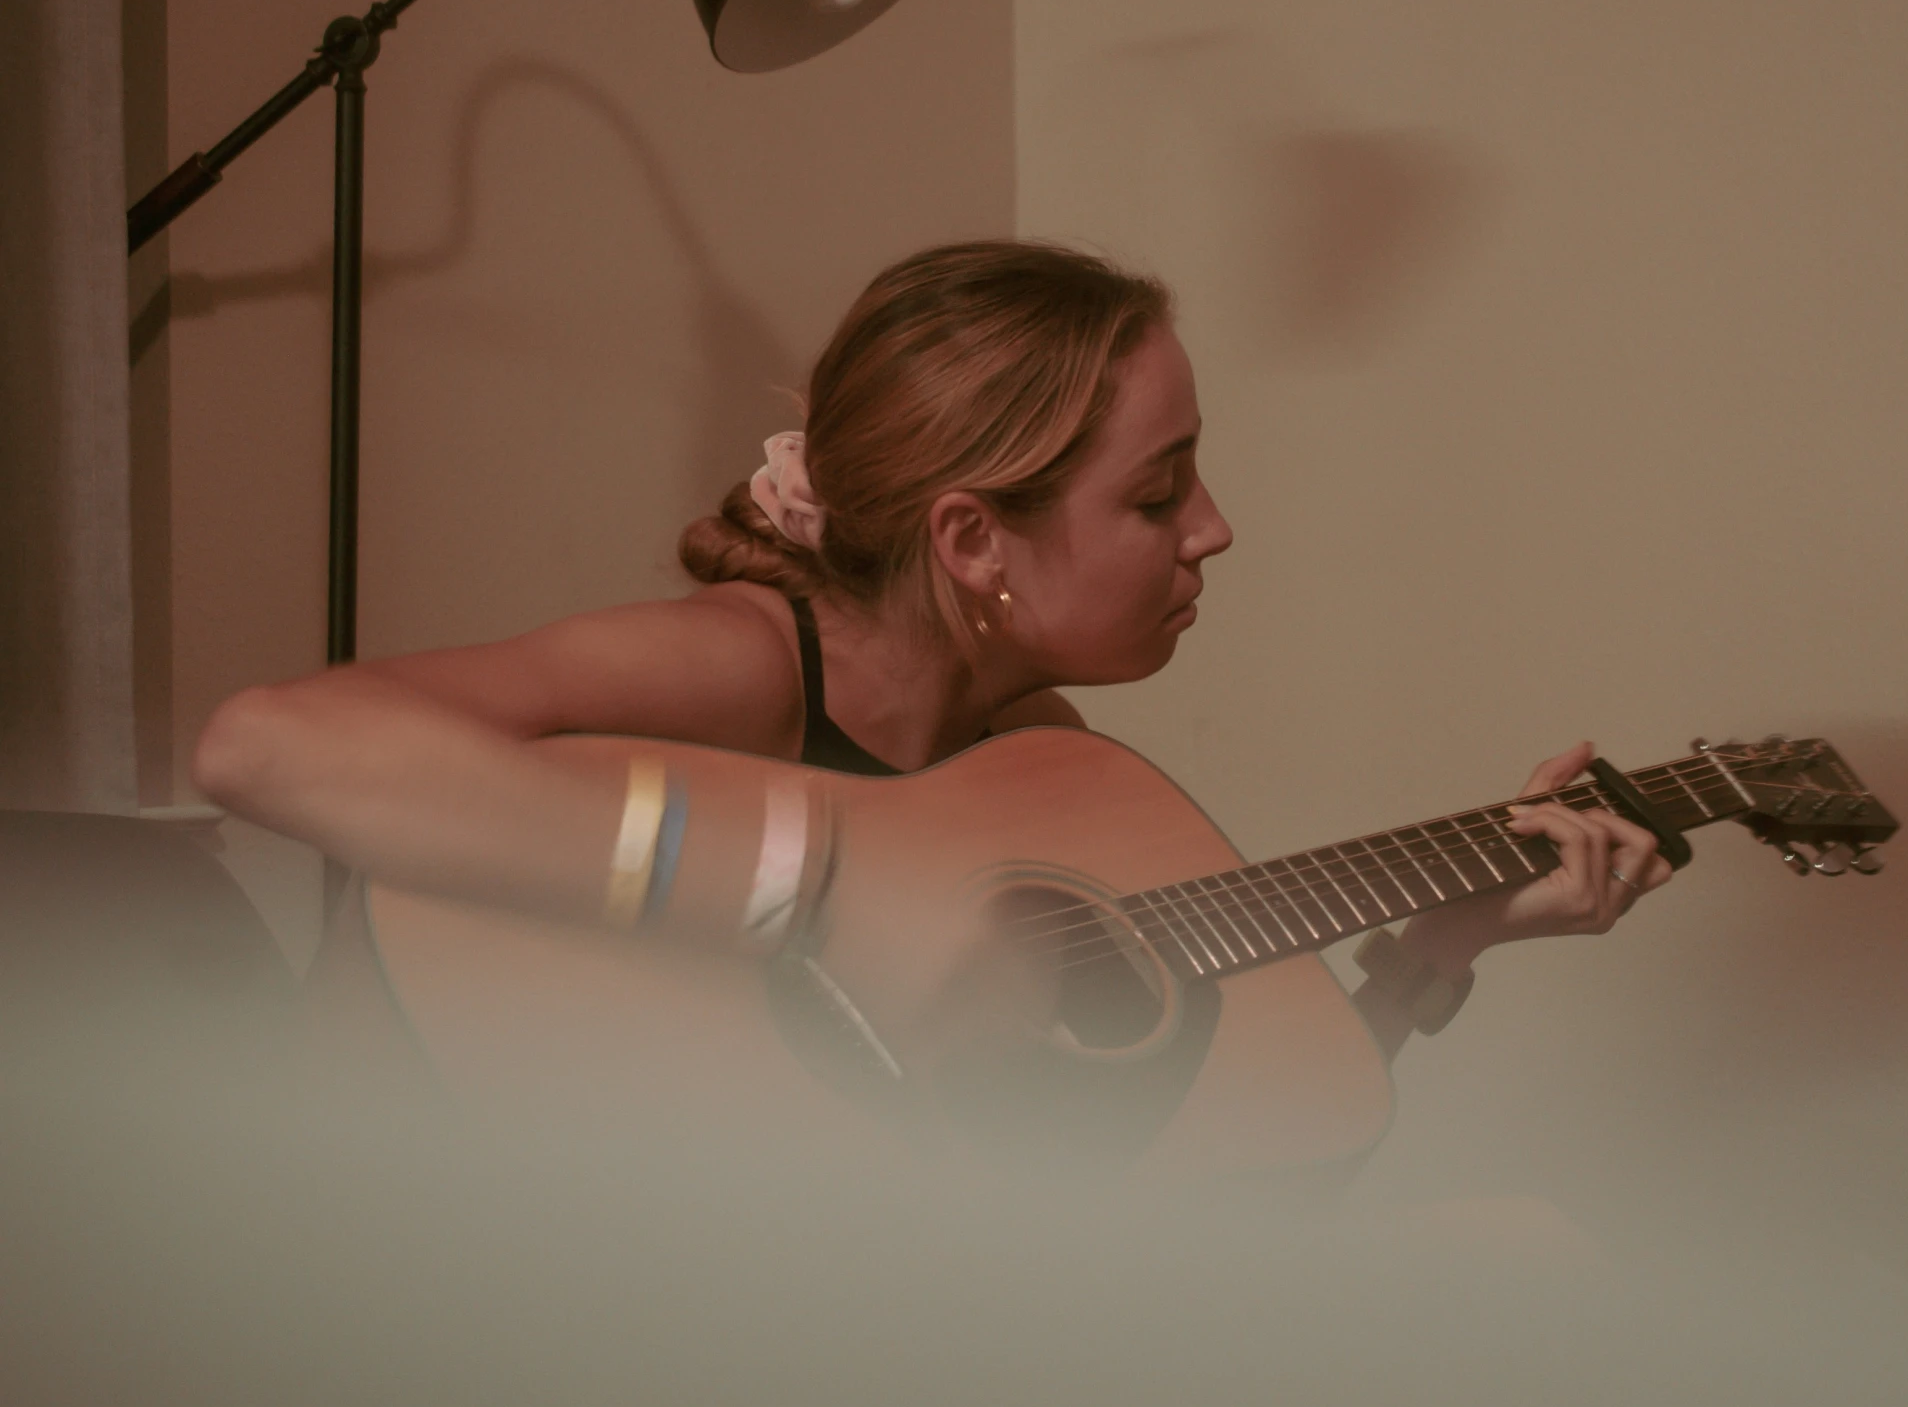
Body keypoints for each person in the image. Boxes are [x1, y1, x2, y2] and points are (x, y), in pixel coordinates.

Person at [193, 239, 1670, 1163]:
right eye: (1158, 493)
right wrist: (815, 898)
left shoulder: (1046, 774)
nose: (1212, 528)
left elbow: (1187, 1159)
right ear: (973, 541)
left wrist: (1435, 952)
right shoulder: (750, 661)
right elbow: (264, 740)